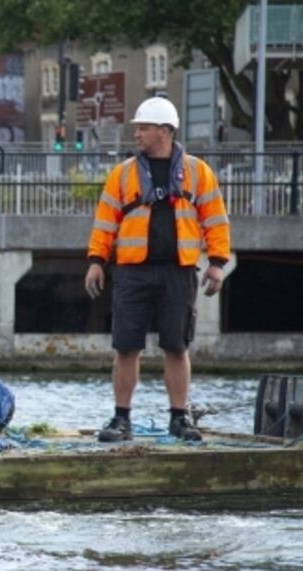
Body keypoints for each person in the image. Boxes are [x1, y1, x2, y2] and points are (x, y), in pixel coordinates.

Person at [83, 97, 231, 442]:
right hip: (133, 271)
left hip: (178, 271)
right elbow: (105, 222)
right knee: (126, 346)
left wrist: (217, 264)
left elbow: (216, 220)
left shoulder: (198, 173)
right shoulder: (122, 175)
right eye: (137, 127)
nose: (137, 133)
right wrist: (96, 261)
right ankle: (121, 419)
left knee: (177, 346)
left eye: (144, 128)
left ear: (165, 131)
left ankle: (179, 418)